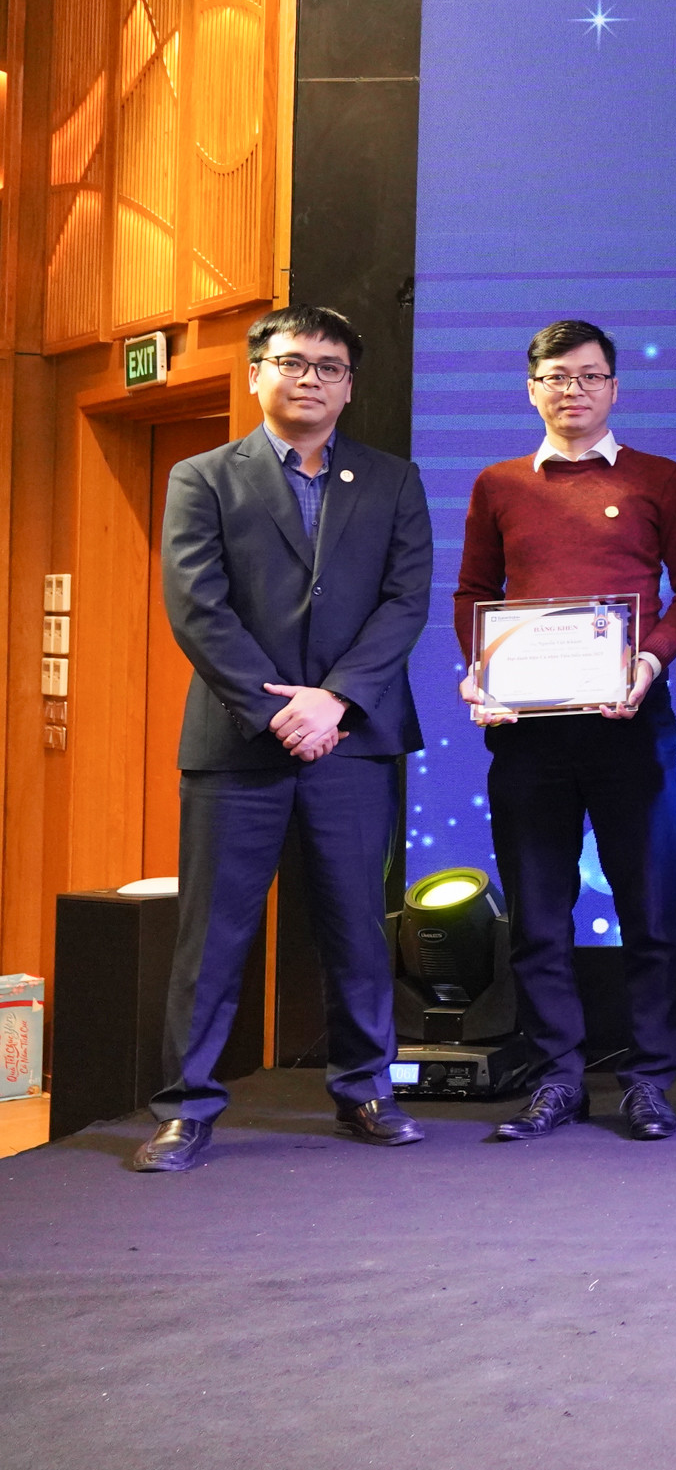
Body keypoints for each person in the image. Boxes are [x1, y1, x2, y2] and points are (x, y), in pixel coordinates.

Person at [130, 307, 435, 1174]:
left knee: (357, 925)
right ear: (256, 372)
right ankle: (187, 1109)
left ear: (350, 386)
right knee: (213, 935)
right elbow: (197, 605)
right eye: (293, 362)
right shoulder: (201, 476)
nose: (310, 380)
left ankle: (366, 1090)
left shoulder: (393, 480)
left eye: (329, 368)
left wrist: (334, 701)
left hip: (353, 739)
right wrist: (276, 712)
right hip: (238, 743)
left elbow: (405, 602)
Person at [450, 320, 676, 1144]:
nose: (574, 390)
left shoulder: (661, 478)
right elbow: (473, 592)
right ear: (532, 389)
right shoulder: (497, 484)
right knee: (537, 916)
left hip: (631, 721)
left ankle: (650, 1080)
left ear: (615, 389)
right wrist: (482, 671)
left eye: (591, 376)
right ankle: (558, 1077)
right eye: (558, 377)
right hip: (528, 734)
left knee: (651, 909)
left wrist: (651, 661)